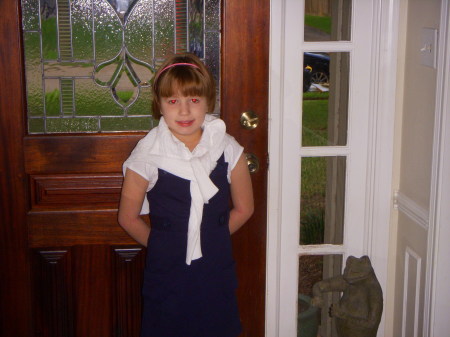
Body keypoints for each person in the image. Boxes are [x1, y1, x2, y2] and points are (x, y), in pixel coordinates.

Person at [118, 53, 254, 337]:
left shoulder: (228, 149)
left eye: (193, 100)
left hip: (215, 270)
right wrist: (164, 245)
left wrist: (210, 237)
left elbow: (244, 209)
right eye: (173, 101)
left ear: (208, 103)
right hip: (167, 272)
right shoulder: (148, 154)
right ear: (160, 105)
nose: (184, 112)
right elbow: (128, 218)